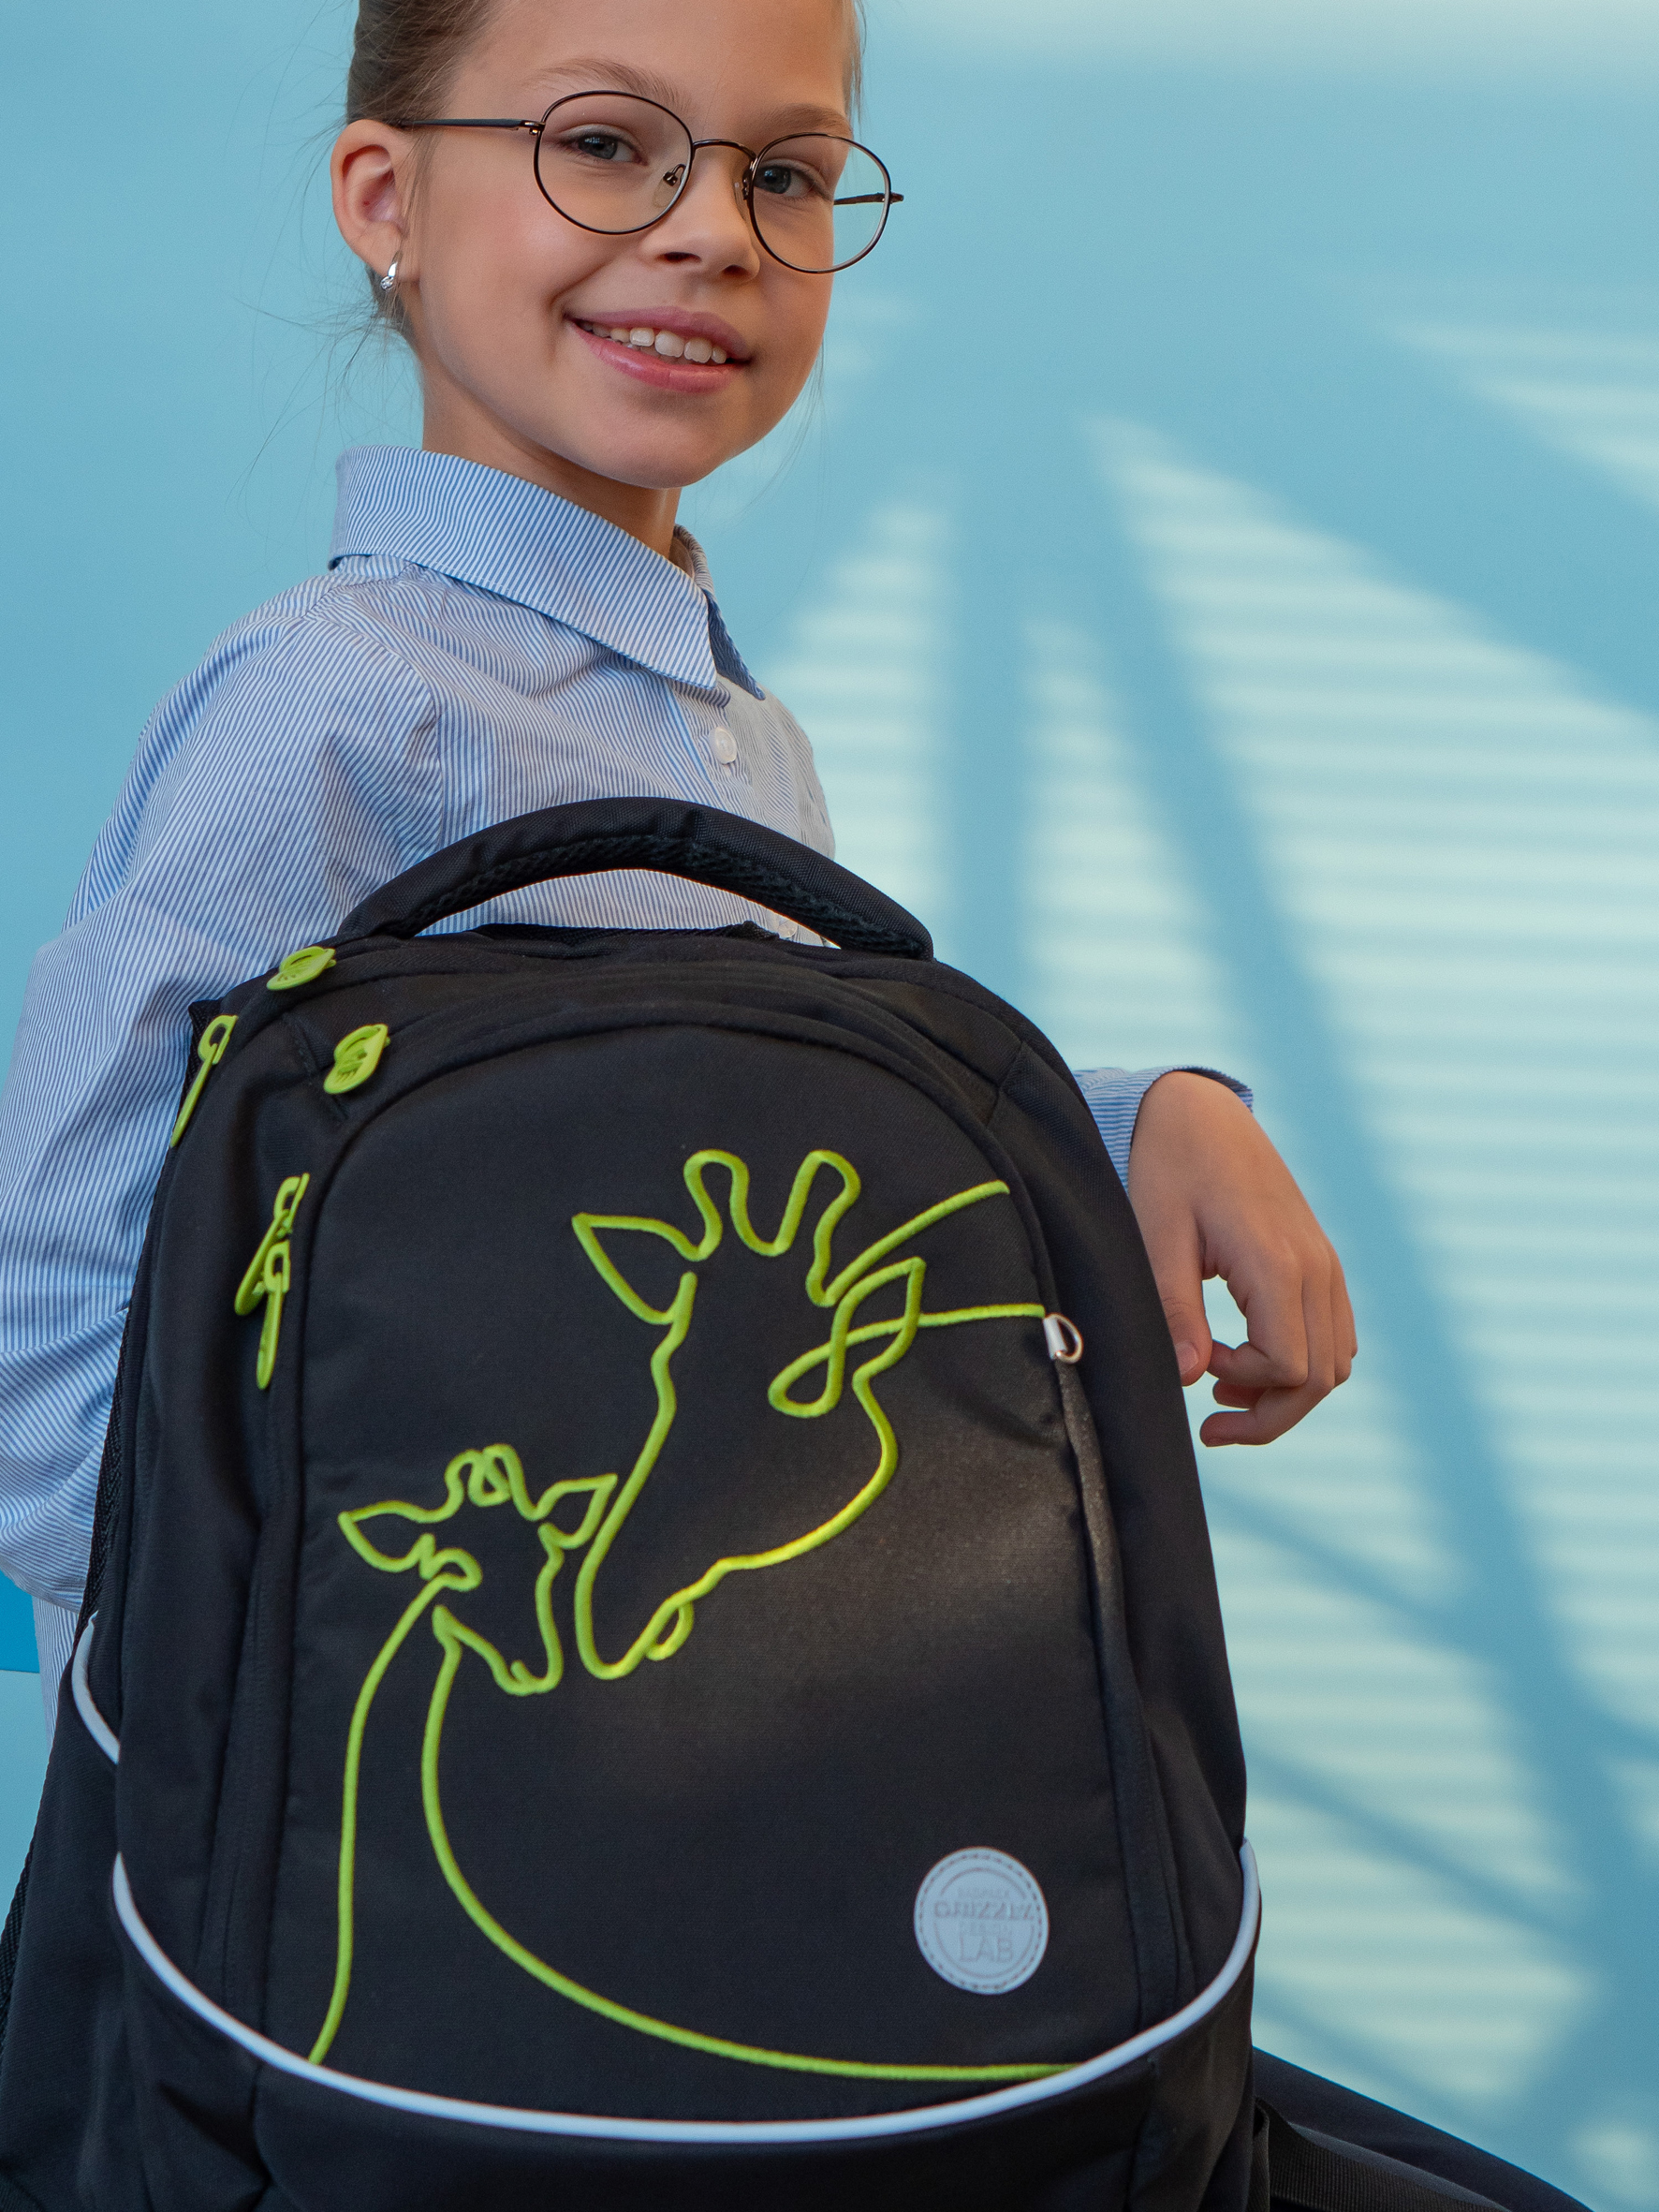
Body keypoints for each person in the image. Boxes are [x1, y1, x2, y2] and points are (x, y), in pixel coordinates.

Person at [0, 0, 1354, 1724]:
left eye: (784, 173)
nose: (715, 229)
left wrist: (1133, 1120)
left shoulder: (737, 737)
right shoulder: (337, 704)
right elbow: (50, 1316)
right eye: (603, 143)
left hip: (661, 1760)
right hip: (418, 1820)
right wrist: (274, 1698)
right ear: (386, 199)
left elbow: (752, 1147)